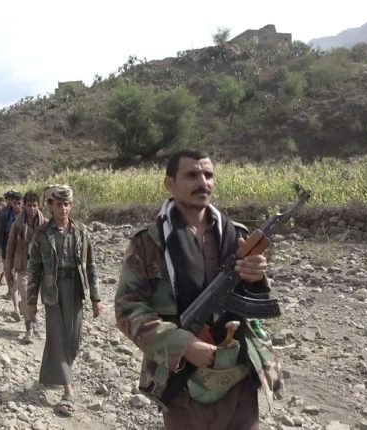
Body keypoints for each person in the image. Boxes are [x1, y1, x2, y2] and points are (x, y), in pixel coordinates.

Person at [114, 150, 281, 430]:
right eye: (191, 175)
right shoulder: (149, 242)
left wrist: (256, 278)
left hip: (238, 370)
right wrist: (185, 345)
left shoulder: (235, 234)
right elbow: (127, 310)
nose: (203, 182)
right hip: (183, 377)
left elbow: (253, 298)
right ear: (170, 184)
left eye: (208, 175)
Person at [27, 185, 101, 417]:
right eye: (58, 204)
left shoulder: (81, 232)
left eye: (66, 204)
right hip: (52, 291)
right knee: (57, 338)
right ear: (50, 206)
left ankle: (51, 374)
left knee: (73, 340)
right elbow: (34, 270)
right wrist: (31, 302)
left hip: (75, 289)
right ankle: (68, 391)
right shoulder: (41, 234)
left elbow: (91, 266)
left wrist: (96, 297)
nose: (63, 208)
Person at [5, 192, 45, 339]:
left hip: (40, 268)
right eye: (29, 205)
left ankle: (33, 321)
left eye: (34, 206)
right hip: (22, 267)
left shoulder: (45, 225)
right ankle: (29, 328)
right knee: (27, 297)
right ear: (24, 206)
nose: (32, 209)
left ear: (38, 206)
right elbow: (10, 249)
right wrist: (8, 271)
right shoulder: (17, 225)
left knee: (36, 301)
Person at [0, 190, 23, 297]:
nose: (16, 205)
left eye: (18, 203)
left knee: (20, 269)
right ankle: (10, 290)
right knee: (7, 268)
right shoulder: (4, 213)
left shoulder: (26, 214)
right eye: (14, 202)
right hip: (6, 243)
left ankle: (19, 292)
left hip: (21, 245)